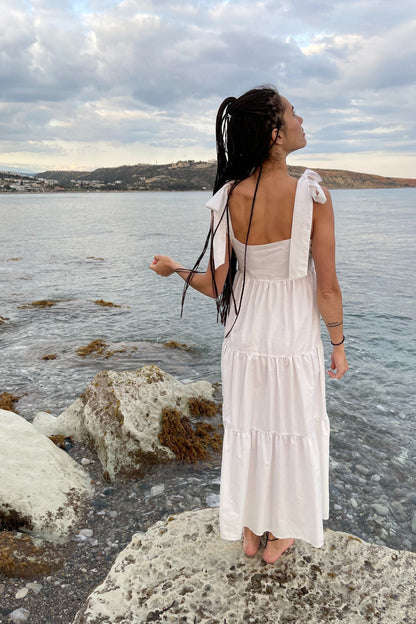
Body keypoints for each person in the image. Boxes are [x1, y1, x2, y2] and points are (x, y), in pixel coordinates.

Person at [150, 86, 348, 564]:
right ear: (275, 134)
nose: (301, 119)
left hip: (243, 337)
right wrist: (339, 344)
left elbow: (216, 286)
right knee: (292, 428)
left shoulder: (227, 199)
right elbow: (326, 289)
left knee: (251, 429)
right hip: (292, 338)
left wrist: (175, 268)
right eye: (294, 113)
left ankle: (250, 528)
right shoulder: (312, 196)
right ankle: (281, 533)